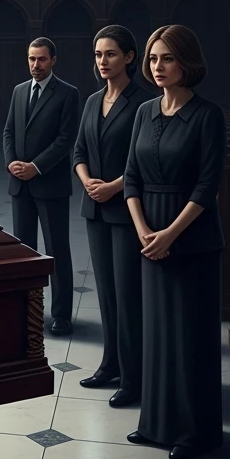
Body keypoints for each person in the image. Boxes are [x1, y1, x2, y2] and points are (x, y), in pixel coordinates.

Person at [124, 25, 226, 459]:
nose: (158, 66)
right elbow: (131, 178)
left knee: (189, 339)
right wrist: (144, 230)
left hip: (192, 238)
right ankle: (156, 425)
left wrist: (169, 234)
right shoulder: (145, 111)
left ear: (187, 61)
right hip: (150, 235)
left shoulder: (208, 115)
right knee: (158, 335)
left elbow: (207, 187)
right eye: (152, 58)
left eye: (167, 58)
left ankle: (195, 432)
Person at [72, 25, 153, 406]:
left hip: (125, 209)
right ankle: (110, 365)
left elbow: (143, 159)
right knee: (105, 293)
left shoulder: (144, 103)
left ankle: (134, 379)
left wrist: (113, 187)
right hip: (95, 208)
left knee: (127, 296)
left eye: (111, 54)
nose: (102, 62)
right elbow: (78, 151)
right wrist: (88, 181)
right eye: (98, 55)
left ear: (130, 58)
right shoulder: (91, 101)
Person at [3, 38, 79, 335]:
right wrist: (12, 163)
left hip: (51, 184)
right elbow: (9, 131)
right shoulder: (19, 91)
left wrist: (35, 167)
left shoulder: (68, 93)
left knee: (57, 250)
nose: (36, 65)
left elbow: (65, 139)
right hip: (20, 184)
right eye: (32, 59)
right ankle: (26, 308)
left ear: (53, 60)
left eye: (42, 59)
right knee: (23, 251)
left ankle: (61, 315)